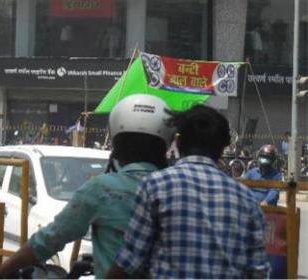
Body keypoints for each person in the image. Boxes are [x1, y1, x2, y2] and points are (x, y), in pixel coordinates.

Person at [0, 94, 175, 279]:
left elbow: (49, 240)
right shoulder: (176, 189)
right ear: (165, 145)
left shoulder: (101, 189)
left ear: (117, 144)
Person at [107, 105, 269, 279]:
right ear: (222, 149)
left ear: (177, 142)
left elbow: (130, 261)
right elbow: (258, 272)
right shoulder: (246, 199)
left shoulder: (155, 186)